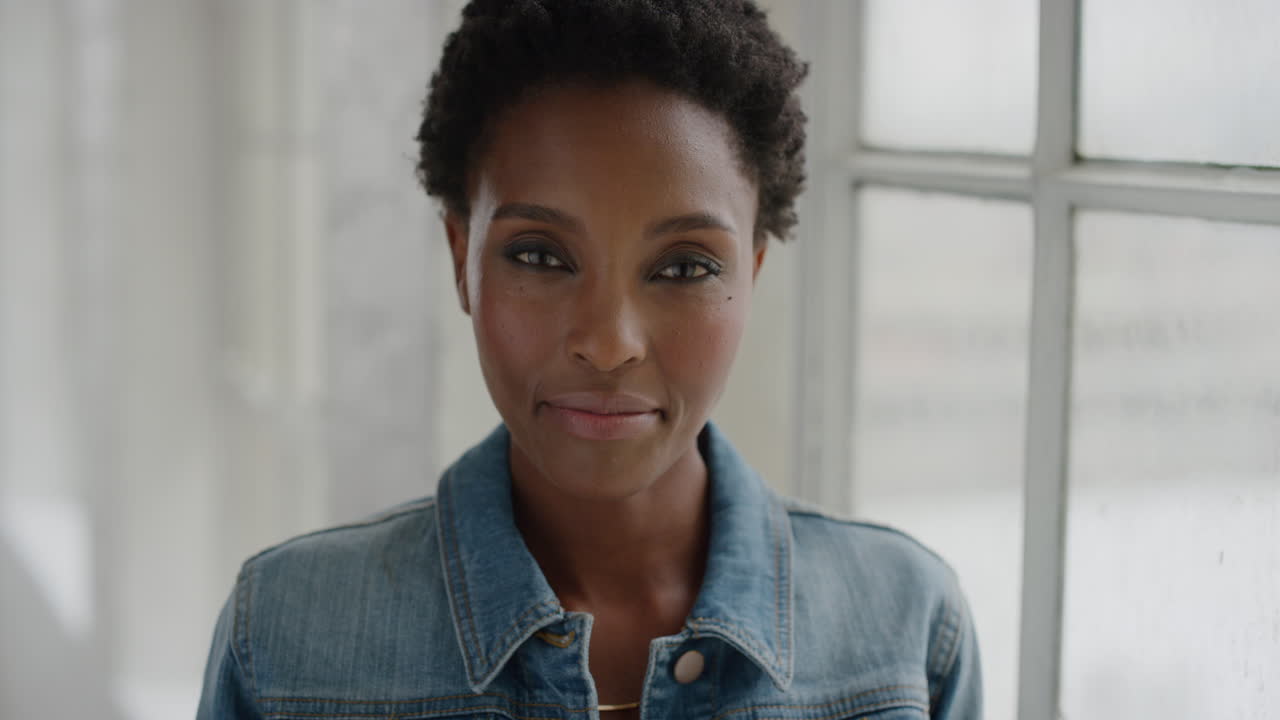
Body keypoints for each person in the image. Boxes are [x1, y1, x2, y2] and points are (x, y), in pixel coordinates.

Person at [197, 1, 982, 718]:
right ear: (461, 256)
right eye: (539, 256)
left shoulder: (908, 633)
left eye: (684, 267)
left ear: (753, 272)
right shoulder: (284, 640)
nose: (609, 343)